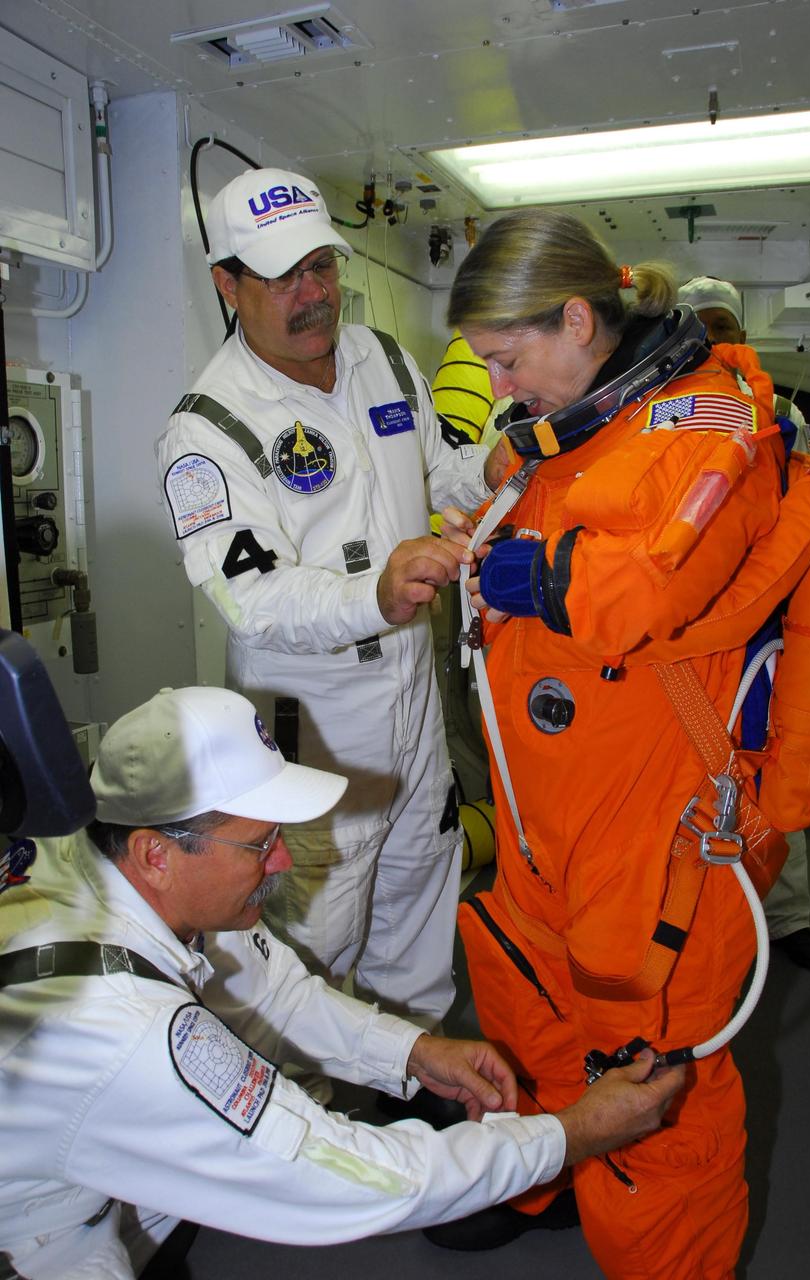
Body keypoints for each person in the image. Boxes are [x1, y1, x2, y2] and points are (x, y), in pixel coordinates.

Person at [430, 210, 810, 1275]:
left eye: (510, 358)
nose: (504, 384)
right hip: (547, 813)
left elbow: (651, 583)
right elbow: (529, 505)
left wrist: (543, 572)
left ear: (577, 318)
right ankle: (543, 1172)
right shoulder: (575, 426)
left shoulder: (715, 415)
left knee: (653, 1083)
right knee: (530, 995)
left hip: (654, 822)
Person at [0, 685, 684, 1280]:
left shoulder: (93, 844)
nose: (284, 859)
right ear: (157, 853)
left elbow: (276, 988)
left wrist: (412, 1055)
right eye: (260, 843)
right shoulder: (122, 1031)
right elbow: (348, 1176)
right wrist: (572, 1135)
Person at [156, 169, 510, 1073]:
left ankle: (409, 1083)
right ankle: (301, 1118)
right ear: (225, 284)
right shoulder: (205, 432)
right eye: (284, 276)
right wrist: (372, 594)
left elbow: (441, 470)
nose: (314, 294)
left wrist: (505, 464)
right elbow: (255, 597)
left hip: (413, 700)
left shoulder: (383, 360)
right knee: (312, 936)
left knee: (421, 894)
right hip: (309, 724)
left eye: (322, 267)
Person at [677, 274, 810, 974]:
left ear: (742, 338)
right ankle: (685, 922)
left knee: (771, 769)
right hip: (686, 633)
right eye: (702, 329)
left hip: (762, 626)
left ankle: (786, 917)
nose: (714, 341)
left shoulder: (784, 421)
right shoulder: (664, 415)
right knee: (682, 779)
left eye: (725, 328)